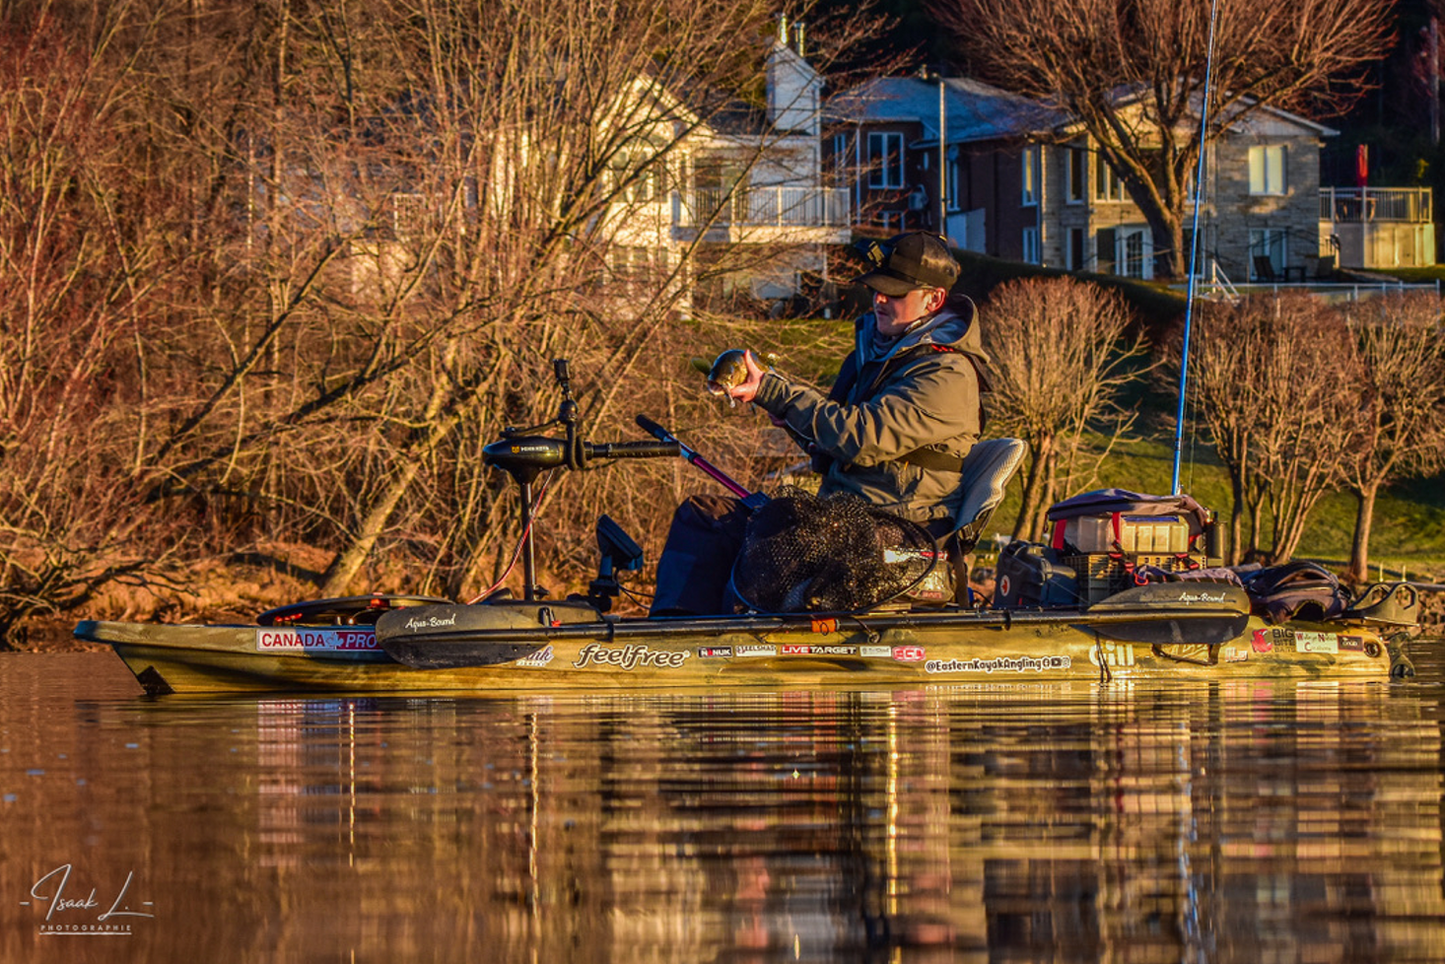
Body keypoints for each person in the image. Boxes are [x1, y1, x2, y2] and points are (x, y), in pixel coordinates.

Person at [650, 231, 989, 616]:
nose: (878, 299)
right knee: (705, 518)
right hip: (845, 516)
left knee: (777, 540)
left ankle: (722, 644)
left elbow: (860, 436)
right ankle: (671, 635)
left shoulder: (947, 374)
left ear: (934, 299)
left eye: (894, 293)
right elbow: (837, 442)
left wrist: (777, 393)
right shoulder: (881, 355)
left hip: (901, 527)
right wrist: (794, 421)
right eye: (876, 289)